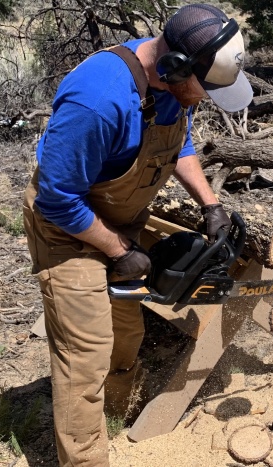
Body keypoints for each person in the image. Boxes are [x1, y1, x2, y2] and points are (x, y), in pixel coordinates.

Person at [21, 4, 253, 465]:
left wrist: (211, 203)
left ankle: (116, 407)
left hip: (119, 218)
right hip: (68, 227)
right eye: (203, 89)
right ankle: (86, 457)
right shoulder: (98, 99)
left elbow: (178, 141)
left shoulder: (171, 87)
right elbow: (57, 197)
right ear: (174, 66)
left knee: (125, 325)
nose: (204, 98)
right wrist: (118, 250)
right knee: (84, 353)